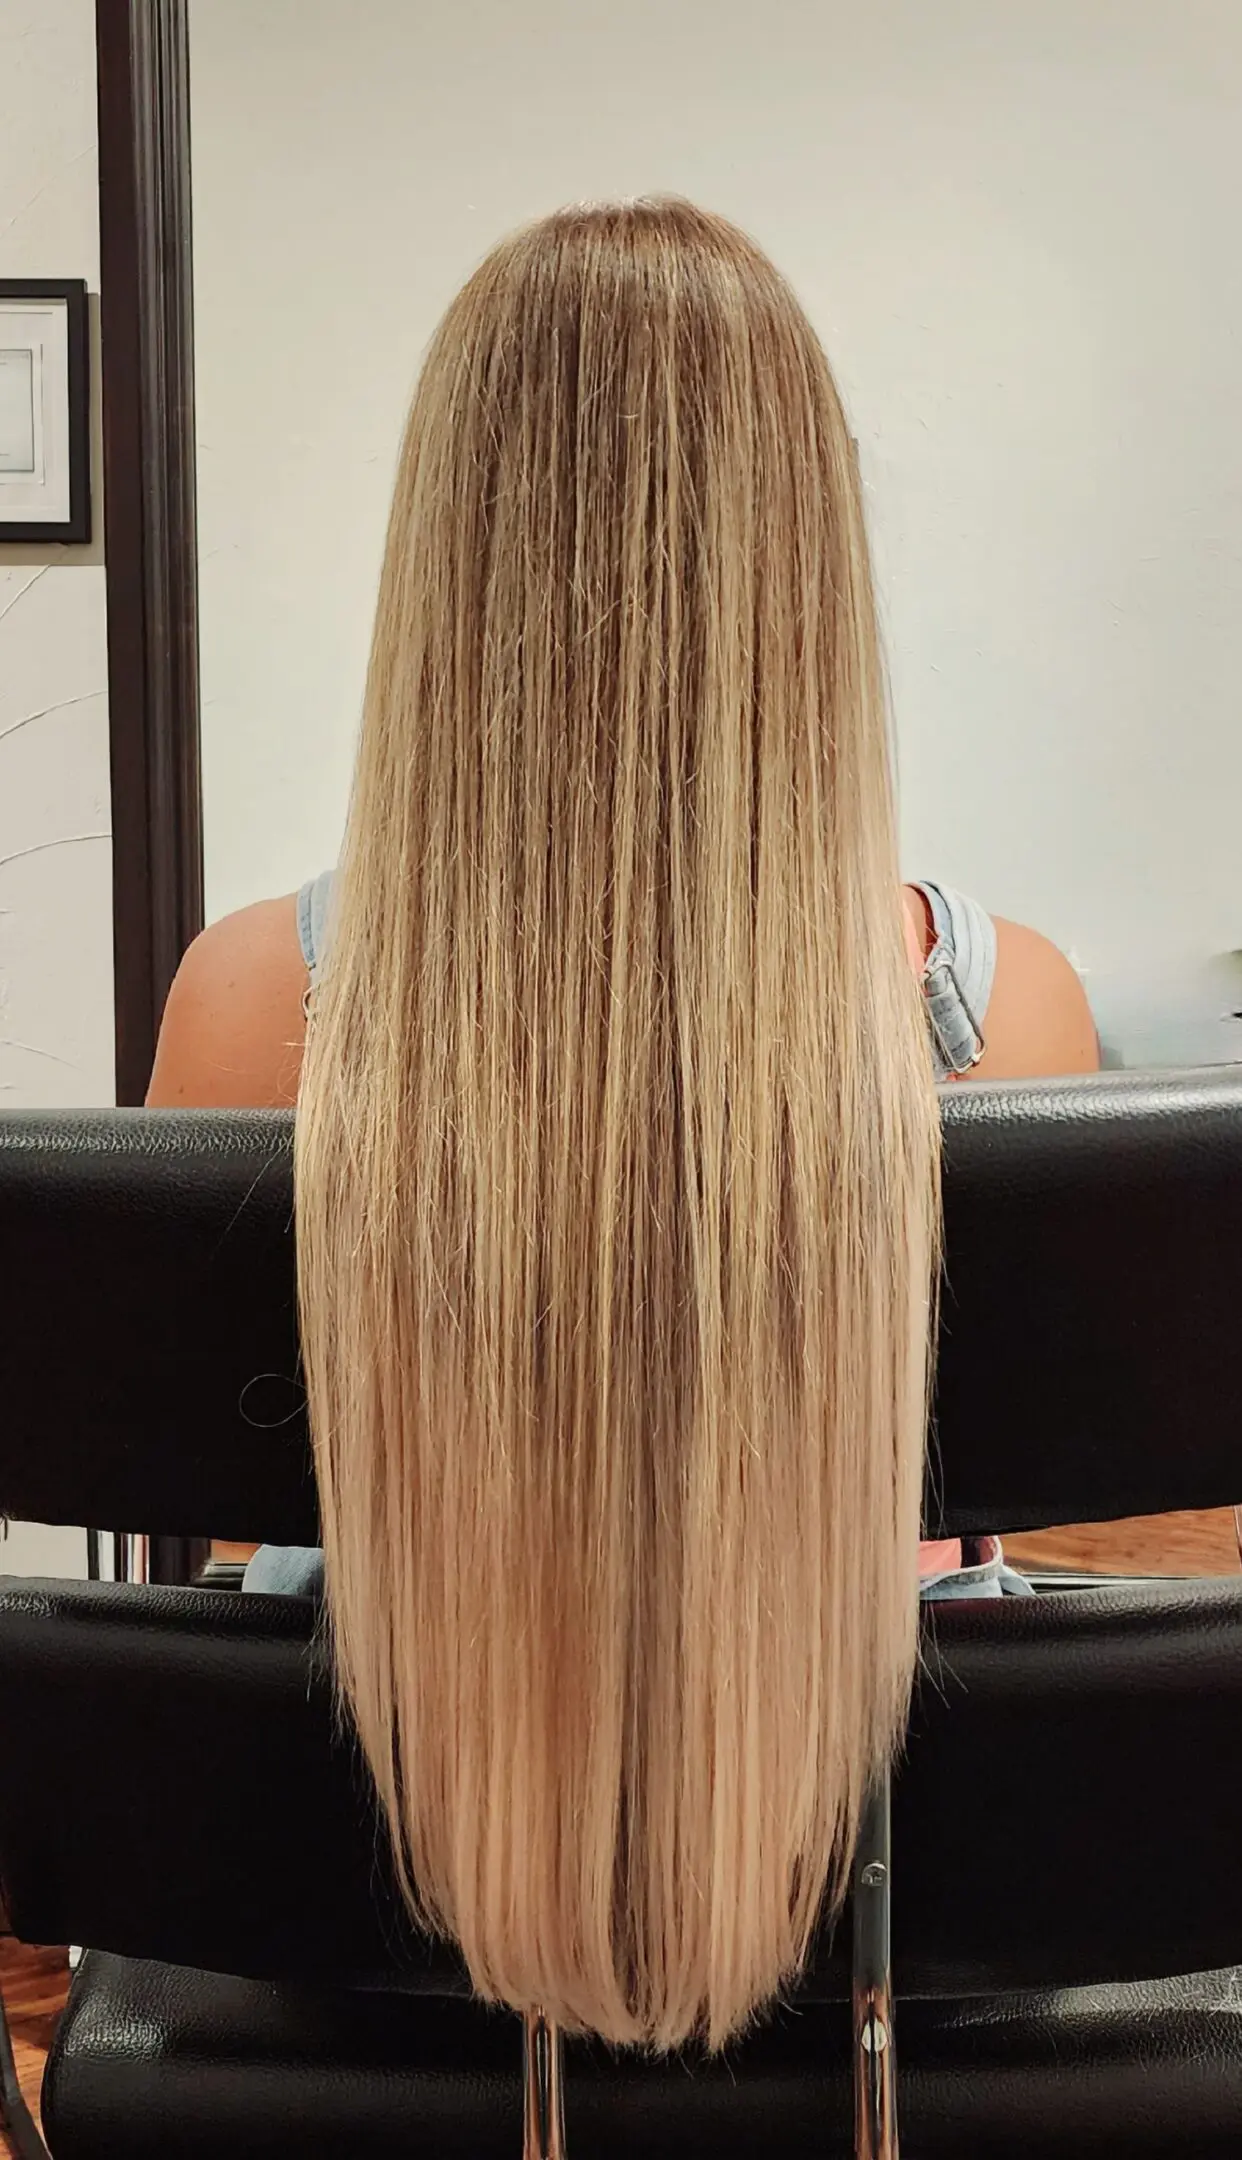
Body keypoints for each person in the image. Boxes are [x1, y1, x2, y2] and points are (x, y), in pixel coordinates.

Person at [148, 198, 1097, 2051]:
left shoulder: (254, 995)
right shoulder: (1007, 1010)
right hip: (887, 1948)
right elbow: (1022, 1500)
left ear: (447, 559)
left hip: (361, 1937)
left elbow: (198, 1534)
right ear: (804, 565)